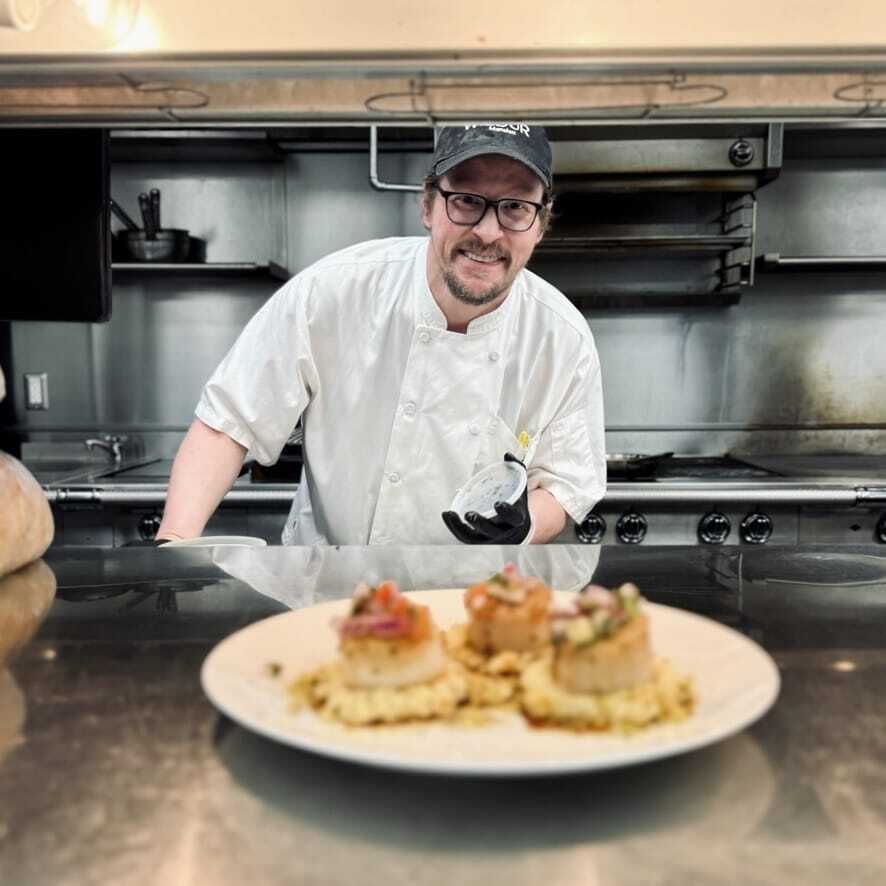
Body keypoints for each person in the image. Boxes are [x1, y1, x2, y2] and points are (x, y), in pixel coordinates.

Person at [155, 123, 606, 546]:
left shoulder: (560, 336)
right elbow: (228, 425)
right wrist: (172, 548)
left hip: (477, 602)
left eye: (515, 208)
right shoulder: (332, 292)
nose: (488, 232)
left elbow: (567, 483)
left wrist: (524, 524)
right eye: (466, 200)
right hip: (331, 590)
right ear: (428, 205)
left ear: (541, 224)